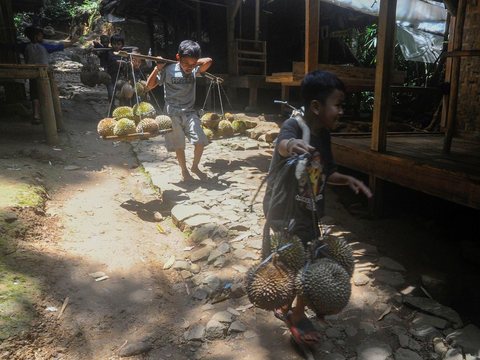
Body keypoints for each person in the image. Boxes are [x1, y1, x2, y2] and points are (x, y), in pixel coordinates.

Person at [263, 70, 372, 345]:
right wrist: (292, 145)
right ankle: (291, 309)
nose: (342, 111)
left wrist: (346, 178)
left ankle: (293, 309)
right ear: (316, 106)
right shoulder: (295, 125)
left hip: (310, 213)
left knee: (307, 263)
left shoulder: (323, 134)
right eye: (338, 105)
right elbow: (283, 144)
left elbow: (329, 172)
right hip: (284, 212)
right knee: (291, 264)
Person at [146, 40, 212, 182]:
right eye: (186, 63)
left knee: (200, 140)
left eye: (192, 64)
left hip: (189, 112)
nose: (189, 67)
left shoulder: (195, 70)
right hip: (172, 114)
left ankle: (195, 167)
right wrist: (157, 67)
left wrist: (194, 63)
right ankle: (184, 171)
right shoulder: (168, 70)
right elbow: (149, 85)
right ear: (178, 58)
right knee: (179, 145)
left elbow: (209, 61)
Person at [0, 26, 79, 124]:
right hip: (43, 73)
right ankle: (48, 114)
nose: (43, 37)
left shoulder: (25, 46)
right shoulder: (44, 46)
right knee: (46, 92)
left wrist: (3, 43)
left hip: (31, 73)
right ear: (37, 37)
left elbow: (11, 46)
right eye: (41, 35)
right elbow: (60, 46)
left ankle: (36, 114)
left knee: (34, 94)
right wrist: (72, 41)